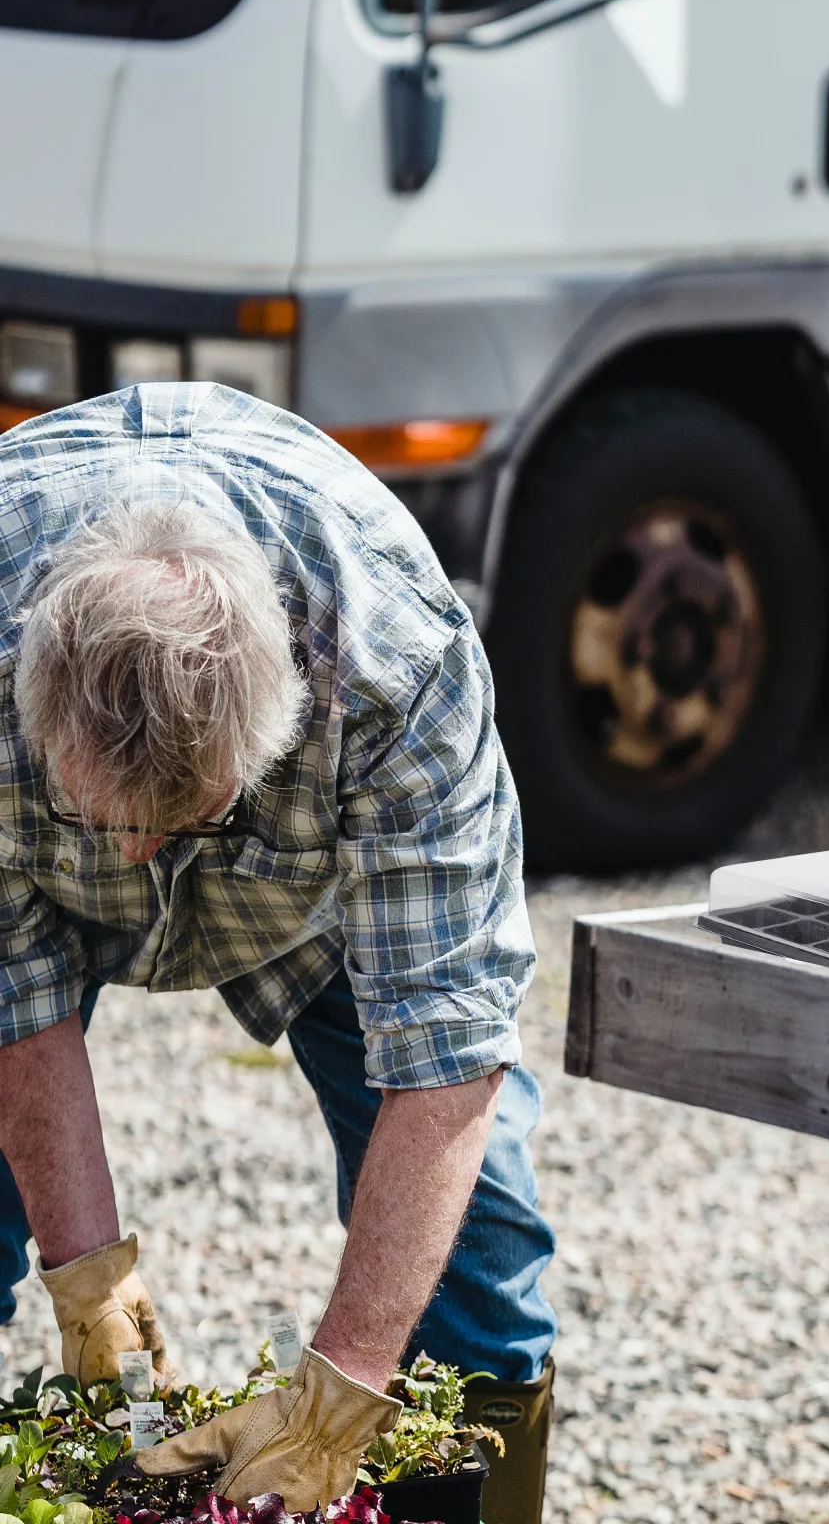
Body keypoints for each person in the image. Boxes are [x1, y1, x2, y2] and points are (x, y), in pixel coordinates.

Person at [0, 383, 555, 1519]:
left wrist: (339, 1394)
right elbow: (14, 993)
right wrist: (93, 1284)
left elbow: (450, 1043)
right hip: (38, 875)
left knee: (482, 1271)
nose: (144, 850)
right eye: (111, 820)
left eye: (180, 818)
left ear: (279, 725)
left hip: (313, 898)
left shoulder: (396, 677)